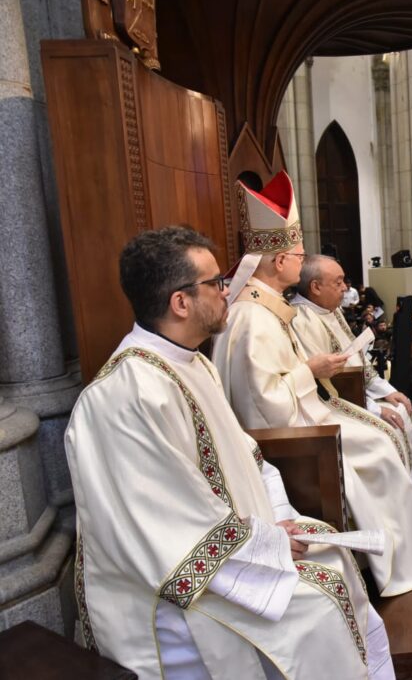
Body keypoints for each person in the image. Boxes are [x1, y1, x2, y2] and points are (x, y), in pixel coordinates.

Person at [66, 227, 394, 679]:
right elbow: (169, 526)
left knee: (331, 558)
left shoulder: (192, 361)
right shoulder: (126, 396)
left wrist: (280, 519)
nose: (227, 292)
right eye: (216, 283)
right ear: (180, 303)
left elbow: (249, 457)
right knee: (318, 607)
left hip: (239, 539)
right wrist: (268, 541)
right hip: (174, 587)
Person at [212, 172, 412, 597]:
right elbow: (265, 404)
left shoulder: (266, 310)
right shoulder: (252, 320)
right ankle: (391, 561)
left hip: (306, 414)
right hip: (290, 437)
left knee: (383, 435)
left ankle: (401, 552)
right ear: (279, 260)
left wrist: (311, 371)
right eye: (298, 255)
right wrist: (311, 369)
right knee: (377, 446)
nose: (302, 264)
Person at [291, 254, 412, 469]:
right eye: (338, 282)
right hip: (334, 404)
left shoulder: (332, 310)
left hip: (357, 392)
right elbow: (328, 383)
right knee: (387, 432)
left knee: (401, 409)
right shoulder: (302, 319)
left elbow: (357, 361)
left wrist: (386, 390)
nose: (344, 288)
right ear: (315, 287)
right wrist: (374, 409)